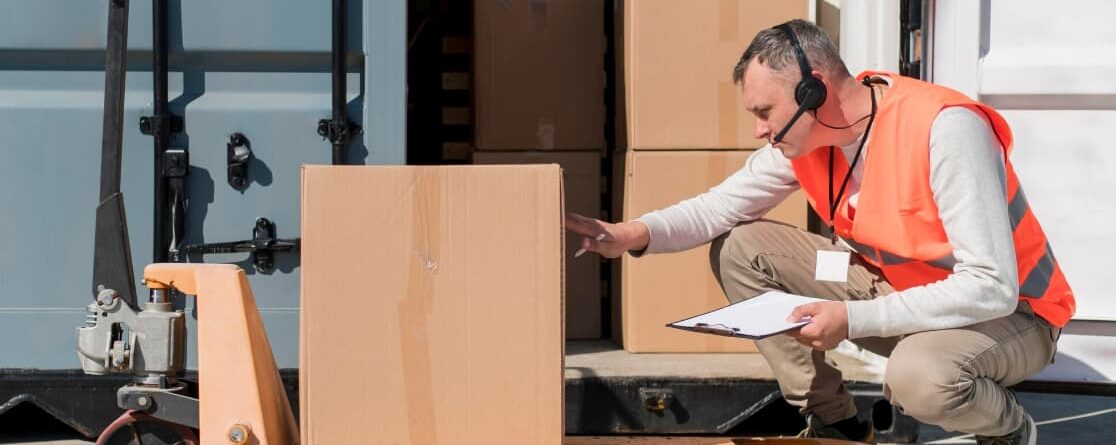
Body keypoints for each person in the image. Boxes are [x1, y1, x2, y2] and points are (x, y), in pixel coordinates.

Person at [565, 19, 1073, 445]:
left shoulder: (945, 128)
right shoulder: (811, 140)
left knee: (921, 380)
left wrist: (852, 317)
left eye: (765, 113)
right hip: (908, 296)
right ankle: (836, 426)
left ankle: (1008, 430)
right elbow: (721, 206)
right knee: (742, 247)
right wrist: (630, 233)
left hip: (1013, 315)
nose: (759, 130)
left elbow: (991, 284)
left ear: (814, 92)